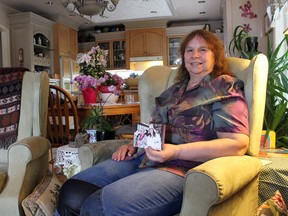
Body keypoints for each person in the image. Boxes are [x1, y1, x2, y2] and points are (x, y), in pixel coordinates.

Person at [56, 29, 249, 216]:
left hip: (182, 169)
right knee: (71, 193)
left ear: (216, 56)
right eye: (189, 50)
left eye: (203, 49)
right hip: (144, 158)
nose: (195, 55)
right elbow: (153, 127)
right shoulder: (174, 90)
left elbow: (237, 144)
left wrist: (175, 151)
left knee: (96, 207)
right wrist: (133, 144)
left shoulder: (224, 85)